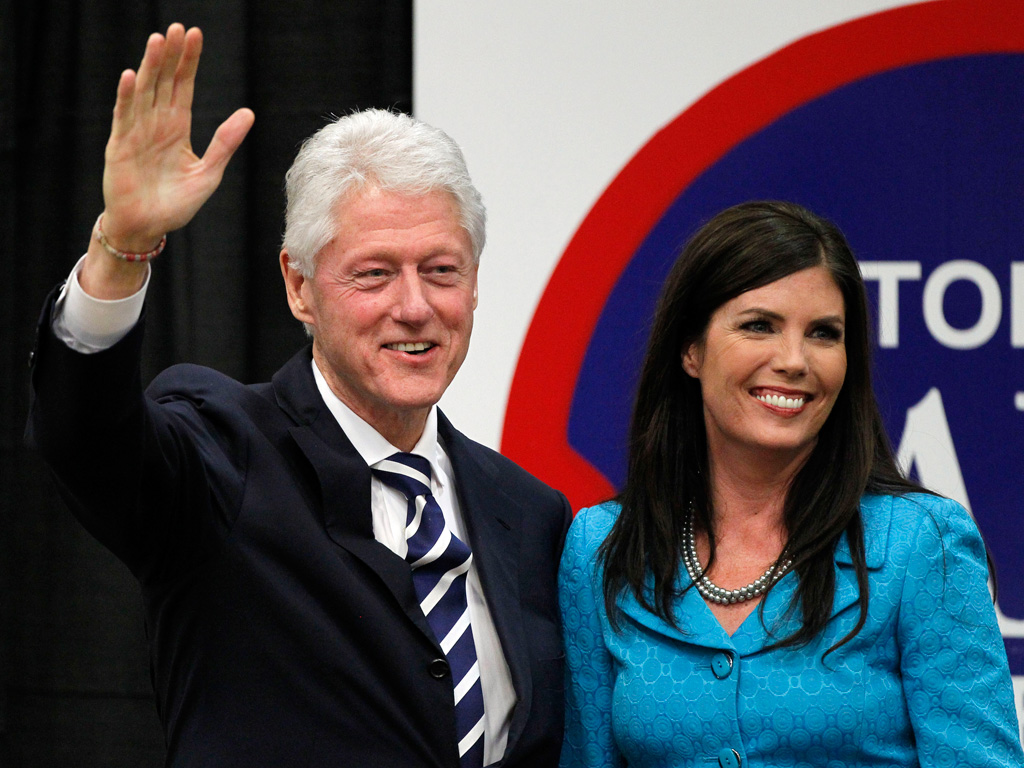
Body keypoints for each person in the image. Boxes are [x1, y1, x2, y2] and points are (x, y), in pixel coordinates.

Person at [27, 23, 571, 768]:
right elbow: (84, 436)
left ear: (474, 283)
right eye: (374, 273)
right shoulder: (222, 453)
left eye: (441, 270)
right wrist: (120, 247)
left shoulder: (532, 516)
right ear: (299, 287)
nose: (414, 306)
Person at [558, 200, 1023, 767]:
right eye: (760, 326)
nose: (795, 360)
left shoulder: (922, 542)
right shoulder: (601, 547)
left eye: (824, 334)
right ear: (691, 349)